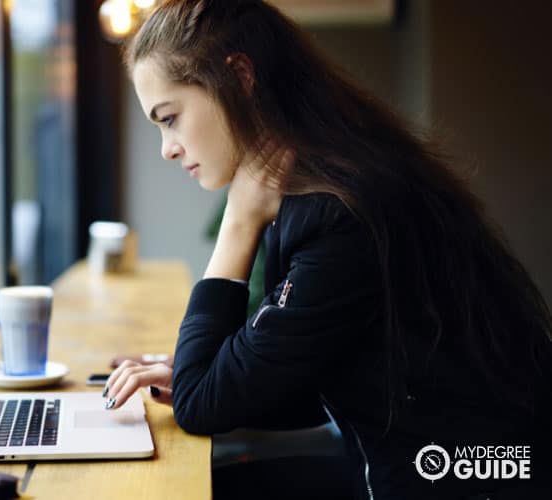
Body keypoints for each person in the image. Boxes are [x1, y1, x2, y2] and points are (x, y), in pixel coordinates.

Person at [103, 1, 552, 498]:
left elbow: (203, 407)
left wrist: (238, 221)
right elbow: (316, 371)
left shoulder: (338, 211)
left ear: (239, 76)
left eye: (170, 118)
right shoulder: (328, 181)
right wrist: (213, 373)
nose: (168, 147)